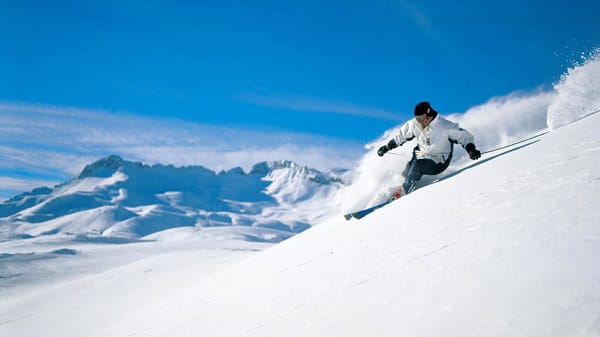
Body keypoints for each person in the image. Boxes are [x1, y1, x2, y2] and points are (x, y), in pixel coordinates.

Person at [377, 101, 481, 198]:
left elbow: (464, 137)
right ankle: (403, 185)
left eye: (421, 118)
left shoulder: (445, 126)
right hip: (421, 154)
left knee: (418, 166)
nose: (419, 122)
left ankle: (405, 192)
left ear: (428, 114)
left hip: (438, 161)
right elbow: (401, 136)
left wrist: (471, 149)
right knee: (409, 168)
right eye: (417, 118)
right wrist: (387, 147)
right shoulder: (415, 124)